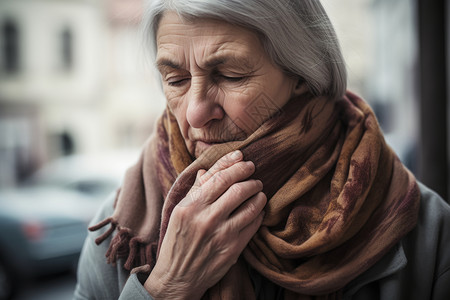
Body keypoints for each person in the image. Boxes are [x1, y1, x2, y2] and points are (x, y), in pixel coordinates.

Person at [74, 0, 450, 299]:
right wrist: (168, 287)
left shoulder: (428, 234)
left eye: (230, 75)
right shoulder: (121, 226)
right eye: (176, 79)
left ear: (304, 75)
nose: (195, 112)